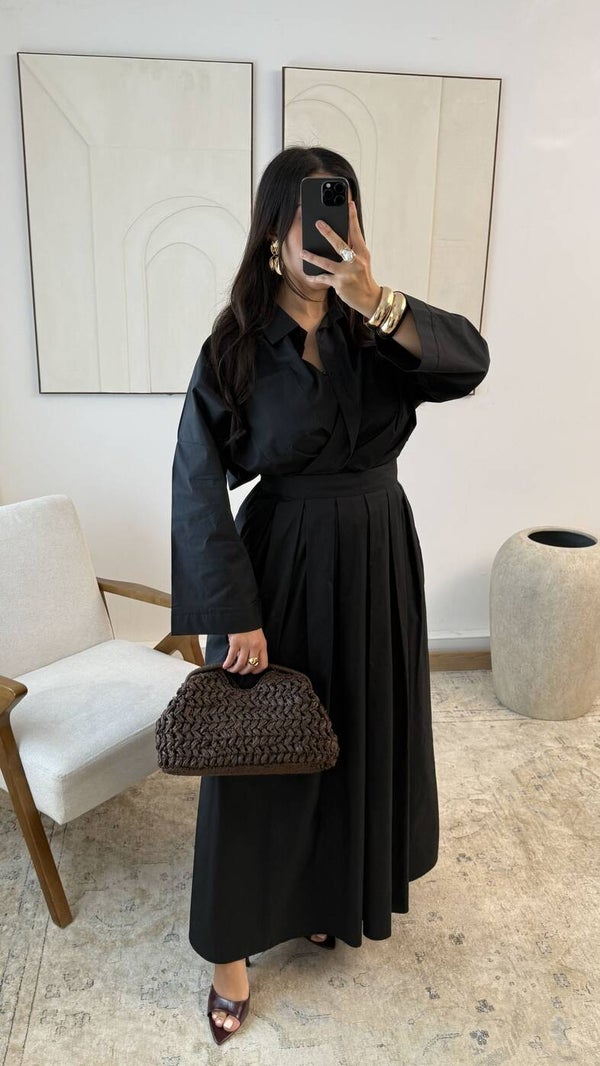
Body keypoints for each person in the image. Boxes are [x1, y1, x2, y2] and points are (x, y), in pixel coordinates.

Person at [170, 145, 491, 1044]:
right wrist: (232, 611)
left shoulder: (376, 329)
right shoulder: (236, 344)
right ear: (273, 232)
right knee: (257, 756)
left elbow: (470, 362)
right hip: (281, 564)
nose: (320, 237)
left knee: (352, 738)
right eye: (304, 219)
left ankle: (326, 897)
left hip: (378, 555)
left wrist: (375, 298)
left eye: (337, 216)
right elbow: (196, 479)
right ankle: (228, 953)